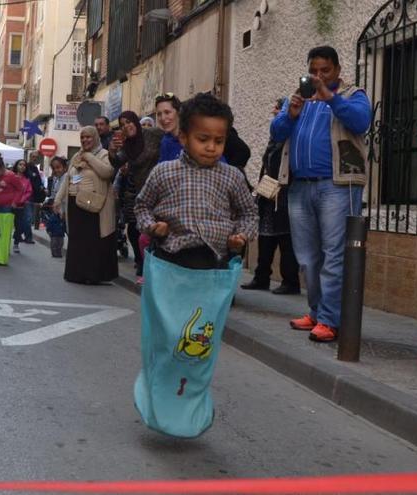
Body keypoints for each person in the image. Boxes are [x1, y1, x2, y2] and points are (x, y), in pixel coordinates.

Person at [133, 92, 257, 438]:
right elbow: (141, 207)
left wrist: (241, 238)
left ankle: (192, 404)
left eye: (219, 140)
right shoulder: (163, 173)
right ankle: (156, 398)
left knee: (198, 347)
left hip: (211, 273)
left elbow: (249, 214)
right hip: (171, 267)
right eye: (203, 139)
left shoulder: (232, 177)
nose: (211, 147)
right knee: (168, 341)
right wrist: (151, 226)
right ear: (183, 136)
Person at [269, 45, 371, 343]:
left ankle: (329, 319)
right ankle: (316, 313)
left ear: (337, 70)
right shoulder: (297, 99)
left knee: (334, 255)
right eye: (313, 71)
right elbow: (276, 134)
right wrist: (289, 114)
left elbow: (361, 121)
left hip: (337, 186)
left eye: (324, 71)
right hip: (300, 186)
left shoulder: (353, 95)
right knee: (307, 257)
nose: (318, 76)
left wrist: (332, 99)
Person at [243, 98, 300, 294]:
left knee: (286, 240)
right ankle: (261, 277)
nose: (274, 111)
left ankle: (290, 282)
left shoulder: (291, 138)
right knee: (265, 238)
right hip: (269, 195)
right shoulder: (274, 139)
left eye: (279, 108)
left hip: (284, 195)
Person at [54, 125, 118, 284]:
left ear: (96, 137)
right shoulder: (77, 156)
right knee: (77, 242)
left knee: (92, 242)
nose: (85, 140)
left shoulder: (104, 154)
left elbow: (107, 172)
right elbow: (69, 178)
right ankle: (76, 274)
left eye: (88, 137)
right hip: (76, 204)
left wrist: (89, 157)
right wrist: (58, 199)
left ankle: (92, 275)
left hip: (95, 205)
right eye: (83, 137)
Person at [110, 110, 164, 284]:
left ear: (136, 122)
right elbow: (117, 162)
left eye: (129, 122)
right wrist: (112, 150)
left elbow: (172, 139)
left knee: (154, 235)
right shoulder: (128, 146)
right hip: (144, 194)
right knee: (145, 235)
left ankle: (154, 273)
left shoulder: (152, 134)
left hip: (163, 190)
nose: (126, 126)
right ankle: (148, 270)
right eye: (122, 124)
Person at [0, 156, 26, 265]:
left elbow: (21, 189)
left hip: (6, 208)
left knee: (3, 234)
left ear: (2, 167)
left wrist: (15, 202)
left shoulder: (11, 176)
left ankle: (1, 258)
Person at [44, 156, 68, 257]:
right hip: (57, 209)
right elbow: (54, 193)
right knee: (55, 230)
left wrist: (63, 210)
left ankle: (58, 251)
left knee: (61, 231)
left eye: (58, 167)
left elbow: (65, 196)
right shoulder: (55, 178)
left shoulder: (67, 177)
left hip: (65, 209)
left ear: (65, 167)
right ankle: (56, 251)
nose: (56, 170)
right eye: (54, 168)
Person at [10, 159, 33, 253]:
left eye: (24, 165)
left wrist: (21, 200)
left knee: (20, 226)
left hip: (21, 206)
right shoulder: (11, 177)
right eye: (20, 164)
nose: (22, 166)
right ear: (16, 166)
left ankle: (16, 242)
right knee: (7, 225)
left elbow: (28, 192)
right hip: (10, 205)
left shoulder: (27, 180)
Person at [156, 92, 183, 162]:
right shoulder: (165, 141)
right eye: (159, 114)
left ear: (179, 112)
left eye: (167, 112)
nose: (163, 118)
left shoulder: (193, 138)